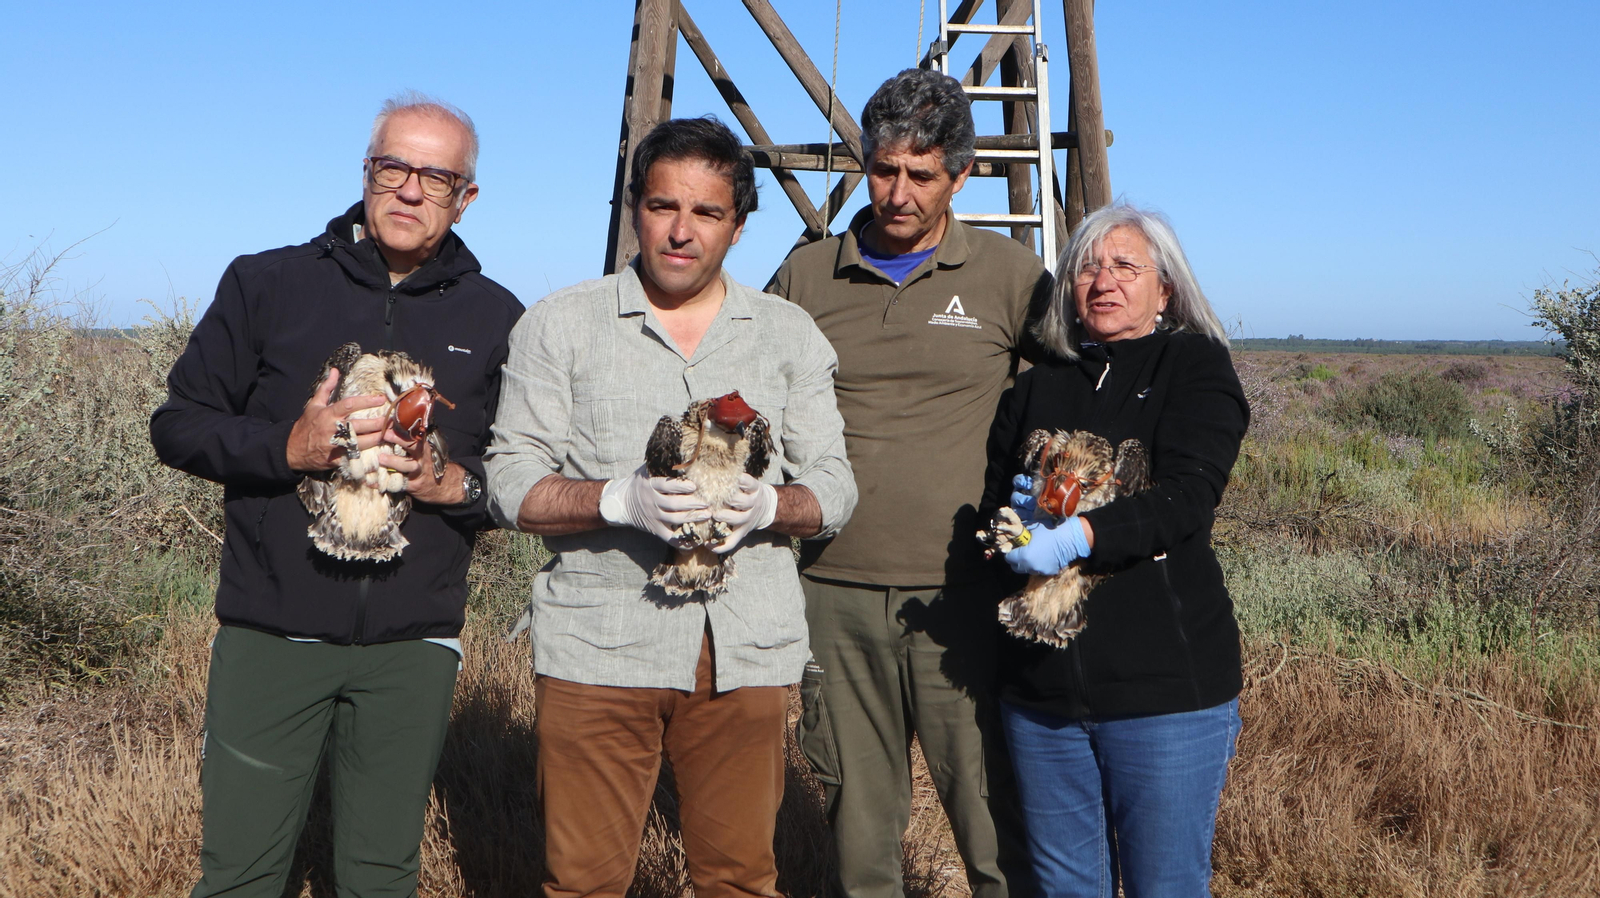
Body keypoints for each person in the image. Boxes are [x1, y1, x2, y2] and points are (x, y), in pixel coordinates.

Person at [150, 94, 523, 898]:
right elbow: (177, 425)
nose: (411, 189)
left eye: (437, 174)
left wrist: (447, 482)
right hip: (271, 631)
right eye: (394, 166)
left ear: (467, 197)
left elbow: (512, 478)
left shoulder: (498, 320)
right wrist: (288, 447)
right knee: (242, 874)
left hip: (412, 645)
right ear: (365, 173)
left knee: (381, 874)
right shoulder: (266, 284)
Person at [483, 116, 856, 898]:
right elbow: (511, 481)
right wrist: (619, 499)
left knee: (740, 880)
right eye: (662, 207)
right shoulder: (561, 323)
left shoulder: (788, 335)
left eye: (707, 214)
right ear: (635, 210)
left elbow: (836, 488)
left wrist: (772, 507)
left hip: (745, 649)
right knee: (583, 882)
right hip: (598, 642)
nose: (681, 232)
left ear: (739, 227)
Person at [767, 68, 1049, 898]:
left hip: (965, 593)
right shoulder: (806, 277)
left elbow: (1074, 398)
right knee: (860, 834)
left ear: (959, 177)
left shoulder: (1009, 276)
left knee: (995, 822)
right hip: (831, 587)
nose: (896, 192)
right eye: (882, 169)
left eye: (920, 175)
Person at [980, 203, 1248, 898]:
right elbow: (995, 502)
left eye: (1126, 266)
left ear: (1166, 290)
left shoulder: (1195, 366)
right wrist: (1011, 531)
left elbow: (1188, 497)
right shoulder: (1037, 386)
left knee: (1165, 885)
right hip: (1042, 693)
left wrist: (1078, 537)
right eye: (1087, 268)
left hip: (1163, 692)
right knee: (1067, 886)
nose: (1103, 280)